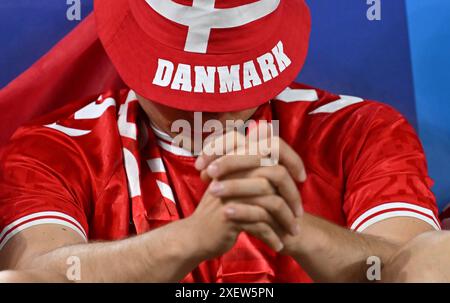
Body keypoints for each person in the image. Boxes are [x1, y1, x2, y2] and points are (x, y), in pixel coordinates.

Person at [0, 0, 440, 282]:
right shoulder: (57, 146)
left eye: (228, 90)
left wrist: (292, 227)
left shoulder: (359, 129)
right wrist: (190, 239)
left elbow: (420, 265)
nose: (204, 110)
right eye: (178, 91)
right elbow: (33, 269)